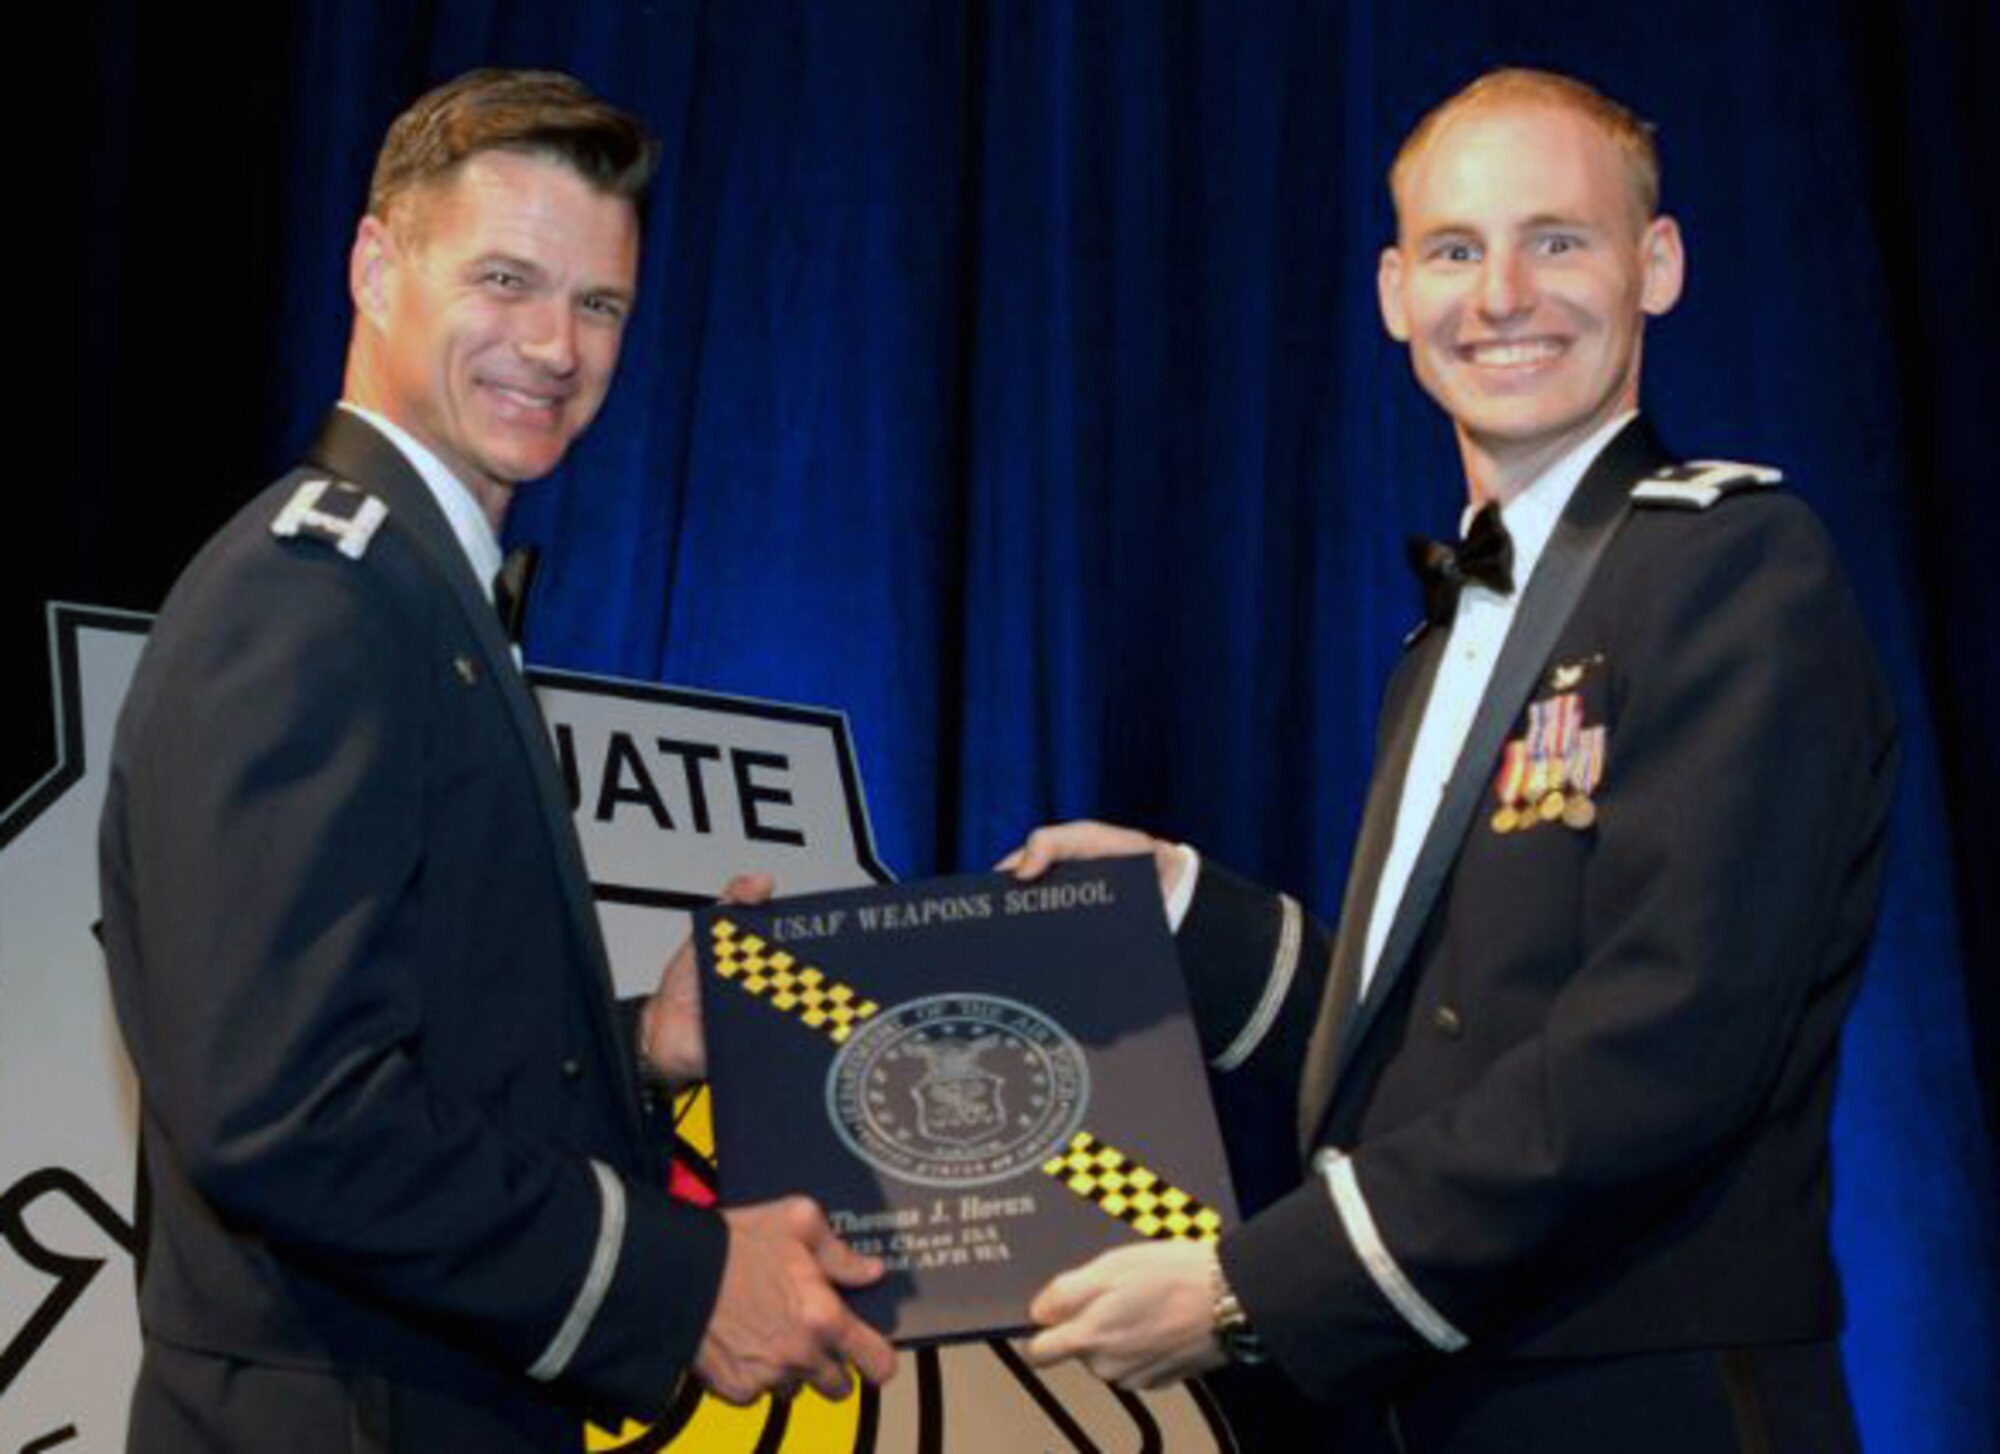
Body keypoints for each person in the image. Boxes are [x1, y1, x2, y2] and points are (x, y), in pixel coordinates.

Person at [1004, 68, 1897, 1452]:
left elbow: (1663, 1045)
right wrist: (1183, 907)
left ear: (1655, 265)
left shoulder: (1733, 569)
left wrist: (1255, 1289)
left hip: (1652, 1409)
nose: (1501, 298)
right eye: (1455, 251)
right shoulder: (1442, 649)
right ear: (1391, 292)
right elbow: (1446, 1038)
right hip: (1458, 1404)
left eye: (1558, 240)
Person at [97, 69, 894, 1452]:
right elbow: (289, 1113)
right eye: (507, 280)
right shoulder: (310, 602)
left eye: (601, 306)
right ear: (374, 267)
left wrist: (644, 1044)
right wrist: (681, 1276)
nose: (554, 346)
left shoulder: (415, 590)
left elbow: (404, 1029)